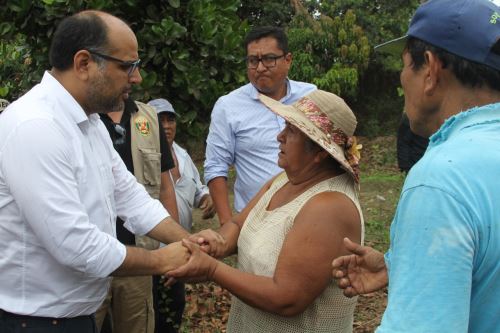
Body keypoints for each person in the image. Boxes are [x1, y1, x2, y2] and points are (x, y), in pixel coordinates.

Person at [0, 11, 222, 333]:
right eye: (127, 66)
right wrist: (162, 261)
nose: (137, 78)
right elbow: (75, 244)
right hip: (34, 322)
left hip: (73, 316)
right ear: (84, 63)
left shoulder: (90, 125)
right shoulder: (36, 126)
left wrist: (187, 241)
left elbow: (131, 198)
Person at [332, 1, 500, 332]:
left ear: (431, 69)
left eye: (405, 65)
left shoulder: (442, 181)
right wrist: (402, 265)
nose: (402, 78)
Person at [170, 90, 365, 333]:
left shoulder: (329, 206)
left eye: (291, 131)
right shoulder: (284, 179)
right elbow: (240, 224)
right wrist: (219, 242)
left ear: (319, 152)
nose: (279, 136)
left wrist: (212, 269)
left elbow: (287, 298)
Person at [204, 26, 316, 225]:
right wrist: (227, 224)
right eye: (253, 61)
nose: (260, 67)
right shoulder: (228, 106)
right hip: (255, 221)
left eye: (269, 59)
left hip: (308, 215)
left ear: (288, 60)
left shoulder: (311, 97)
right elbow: (216, 167)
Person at [94, 96, 180, 333]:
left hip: (139, 256)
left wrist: (176, 245)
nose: (136, 77)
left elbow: (164, 186)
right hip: (92, 260)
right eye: (126, 67)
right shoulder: (85, 119)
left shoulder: (148, 117)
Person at [148, 98, 215, 332]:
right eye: (160, 120)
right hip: (150, 253)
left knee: (173, 309)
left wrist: (207, 198)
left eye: (170, 119)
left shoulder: (184, 157)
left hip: (179, 249)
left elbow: (197, 189)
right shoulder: (141, 158)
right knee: (150, 312)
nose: (166, 126)